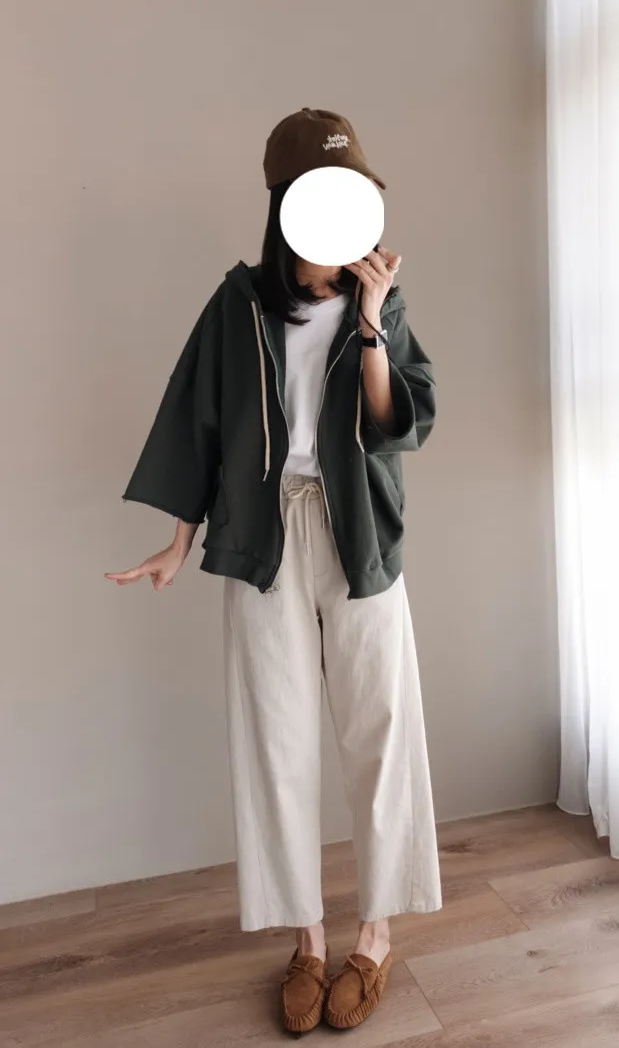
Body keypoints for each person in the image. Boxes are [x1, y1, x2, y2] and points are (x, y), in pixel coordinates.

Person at [106, 107, 442, 1033]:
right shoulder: (238, 304)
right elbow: (202, 424)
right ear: (288, 203)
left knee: (382, 731)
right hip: (265, 538)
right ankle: (308, 939)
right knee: (275, 737)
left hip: (359, 533)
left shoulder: (380, 298)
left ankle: (375, 936)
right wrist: (181, 540)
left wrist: (369, 324)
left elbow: (395, 423)